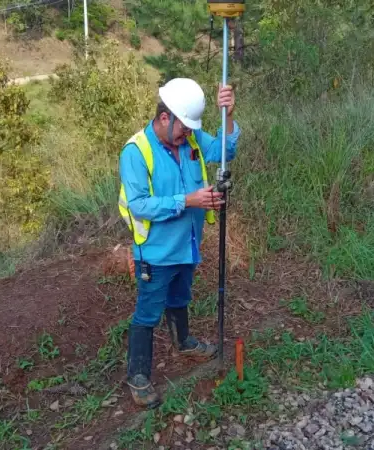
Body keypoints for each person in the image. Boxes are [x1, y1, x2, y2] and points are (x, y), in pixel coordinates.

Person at [117, 78, 240, 407]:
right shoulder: (136, 152)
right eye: (183, 128)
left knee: (180, 296)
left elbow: (225, 151)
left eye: (190, 129)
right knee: (147, 312)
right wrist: (189, 200)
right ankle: (138, 375)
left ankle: (182, 342)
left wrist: (227, 114)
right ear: (163, 118)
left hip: (187, 245)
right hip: (155, 253)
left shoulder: (192, 138)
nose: (187, 135)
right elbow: (139, 204)